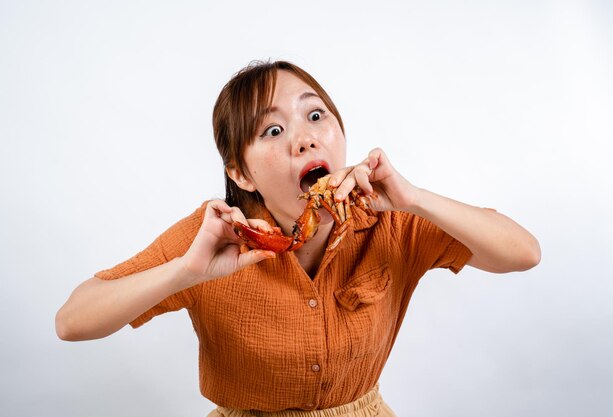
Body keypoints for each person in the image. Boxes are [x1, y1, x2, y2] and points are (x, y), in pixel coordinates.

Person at [56, 60, 541, 416]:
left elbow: (524, 253)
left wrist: (413, 199)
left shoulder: (388, 218)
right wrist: (186, 271)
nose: (305, 138)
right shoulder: (216, 236)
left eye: (315, 116)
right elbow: (72, 321)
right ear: (240, 173)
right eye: (271, 129)